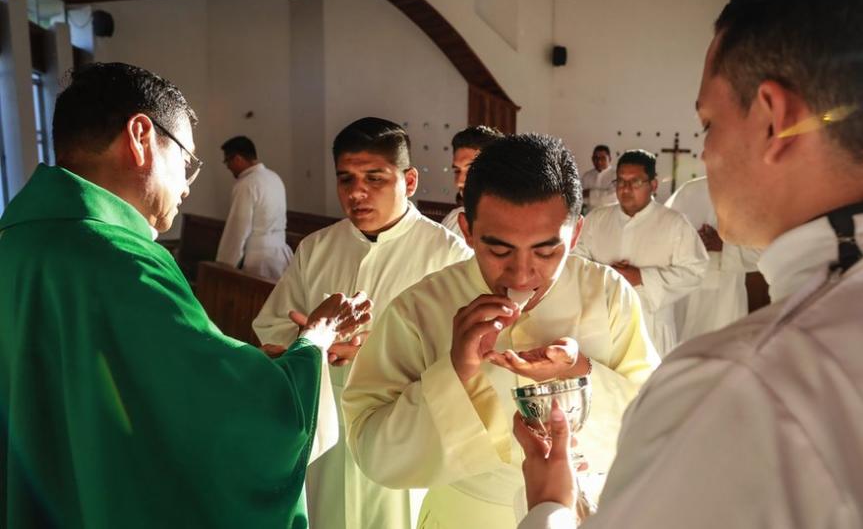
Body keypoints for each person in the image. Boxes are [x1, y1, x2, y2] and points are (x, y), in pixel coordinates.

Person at [517, 0, 863, 527]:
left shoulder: (738, 390)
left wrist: (551, 505)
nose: (704, 152)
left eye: (708, 123)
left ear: (775, 119)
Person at [0, 62, 372, 528]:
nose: (187, 185)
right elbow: (246, 422)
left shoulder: (15, 241)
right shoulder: (122, 259)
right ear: (141, 137)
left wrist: (241, 362)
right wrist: (313, 342)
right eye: (187, 161)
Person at [342, 133, 659, 529]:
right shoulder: (420, 309)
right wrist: (454, 373)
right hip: (465, 514)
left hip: (585, 509)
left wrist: (579, 371)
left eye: (546, 251)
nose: (522, 274)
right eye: (499, 250)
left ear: (575, 234)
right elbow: (374, 454)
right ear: (468, 230)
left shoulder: (608, 295)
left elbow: (657, 423)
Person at [253, 117, 473, 529]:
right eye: (346, 179)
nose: (357, 192)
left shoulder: (447, 256)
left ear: (409, 181)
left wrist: (373, 350)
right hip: (326, 428)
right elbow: (272, 328)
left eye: (375, 178)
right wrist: (309, 341)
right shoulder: (316, 249)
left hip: (405, 429)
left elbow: (461, 355)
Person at [574, 149, 708, 357]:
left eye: (635, 182)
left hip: (650, 325)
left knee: (647, 387)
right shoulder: (597, 219)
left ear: (653, 185)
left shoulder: (674, 224)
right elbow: (575, 258)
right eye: (620, 182)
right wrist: (603, 275)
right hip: (600, 323)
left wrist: (642, 278)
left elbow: (696, 270)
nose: (626, 189)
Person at [666, 175, 761, 342]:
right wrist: (688, 242)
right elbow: (663, 236)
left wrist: (724, 246)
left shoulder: (750, 195)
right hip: (684, 293)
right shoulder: (688, 191)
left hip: (724, 296)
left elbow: (763, 252)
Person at [215, 135, 293, 280]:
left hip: (259, 260)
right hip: (280, 255)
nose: (228, 167)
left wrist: (224, 265)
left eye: (227, 162)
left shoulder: (246, 184)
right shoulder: (274, 177)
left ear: (237, 158)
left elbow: (238, 228)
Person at [440, 125, 504, 238]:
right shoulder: (454, 220)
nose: (459, 181)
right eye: (457, 171)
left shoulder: (518, 224)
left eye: (471, 170)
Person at [580, 145, 617, 214]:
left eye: (603, 158)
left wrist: (589, 193)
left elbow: (612, 198)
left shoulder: (616, 175)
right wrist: (602, 193)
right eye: (596, 158)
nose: (599, 161)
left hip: (610, 216)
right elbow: (581, 198)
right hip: (590, 216)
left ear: (610, 159)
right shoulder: (587, 176)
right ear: (592, 159)